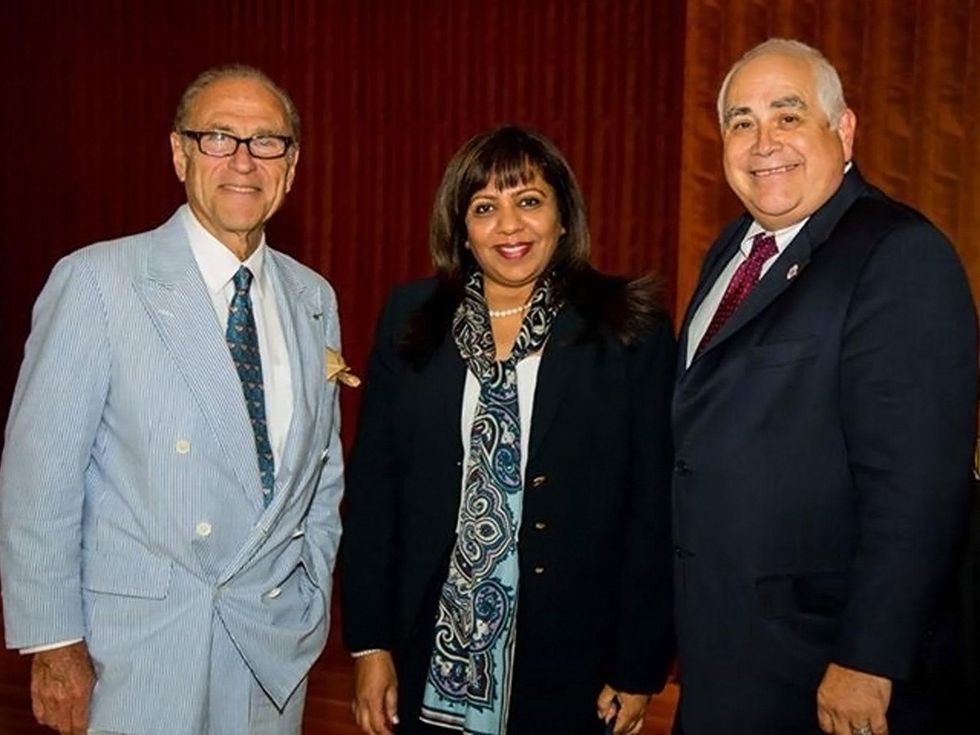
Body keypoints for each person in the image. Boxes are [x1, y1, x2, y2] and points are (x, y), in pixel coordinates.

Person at [0, 64, 344, 735]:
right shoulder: (99, 281)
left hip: (269, 645)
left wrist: (312, 586)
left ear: (292, 166)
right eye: (219, 137)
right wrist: (51, 642)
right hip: (136, 647)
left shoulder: (313, 298)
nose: (243, 160)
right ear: (179, 152)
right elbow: (41, 476)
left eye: (266, 142)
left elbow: (321, 476)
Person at [672, 38, 978, 735]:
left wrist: (868, 659)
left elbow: (918, 487)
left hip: (823, 670)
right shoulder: (734, 247)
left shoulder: (898, 255)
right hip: (727, 653)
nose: (762, 141)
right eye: (741, 121)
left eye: (788, 115)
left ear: (843, 132)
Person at [341, 125, 675, 735]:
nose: (510, 226)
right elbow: (373, 496)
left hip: (574, 660)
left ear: (563, 216)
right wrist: (370, 645)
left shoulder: (631, 326)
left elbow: (652, 507)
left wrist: (638, 665)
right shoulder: (409, 320)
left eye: (529, 201)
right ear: (462, 230)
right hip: (426, 646)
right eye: (485, 208)